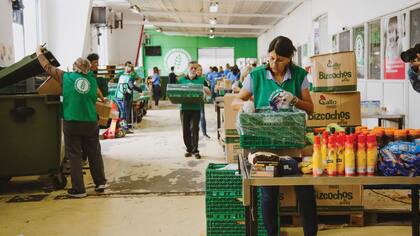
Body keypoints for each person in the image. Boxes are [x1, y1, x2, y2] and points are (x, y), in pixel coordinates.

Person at [232, 36, 318, 236]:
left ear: (289, 58)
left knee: (305, 190)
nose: (273, 64)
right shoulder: (257, 75)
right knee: (269, 192)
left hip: (293, 142)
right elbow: (236, 100)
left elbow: (311, 108)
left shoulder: (298, 75)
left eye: (279, 60)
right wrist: (245, 105)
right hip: (264, 142)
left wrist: (295, 99)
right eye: (271, 58)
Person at [36, 45, 107, 198]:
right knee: (94, 152)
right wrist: (103, 99)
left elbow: (47, 67)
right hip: (90, 122)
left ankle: (79, 190)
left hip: (72, 122)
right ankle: (100, 182)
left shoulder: (66, 77)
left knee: (74, 155)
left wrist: (38, 52)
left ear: (75, 67)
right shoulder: (92, 81)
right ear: (88, 68)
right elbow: (97, 93)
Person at [178, 61, 211, 159]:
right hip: (184, 108)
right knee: (185, 130)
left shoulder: (201, 79)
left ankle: (195, 150)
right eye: (191, 68)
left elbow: (209, 93)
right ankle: (189, 149)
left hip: (196, 108)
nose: (193, 70)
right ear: (188, 68)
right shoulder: (181, 80)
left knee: (195, 129)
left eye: (195, 68)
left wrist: (204, 88)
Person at [115, 62, 142, 131]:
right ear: (132, 71)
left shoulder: (121, 76)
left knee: (122, 112)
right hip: (125, 97)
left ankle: (121, 127)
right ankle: (125, 128)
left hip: (118, 96)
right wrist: (139, 89)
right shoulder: (130, 77)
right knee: (126, 112)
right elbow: (131, 86)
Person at [197, 65, 211, 139]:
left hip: (201, 100)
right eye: (198, 70)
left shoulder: (203, 79)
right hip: (193, 101)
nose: (200, 72)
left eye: (201, 70)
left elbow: (208, 91)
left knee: (202, 116)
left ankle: (204, 133)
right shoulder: (192, 79)